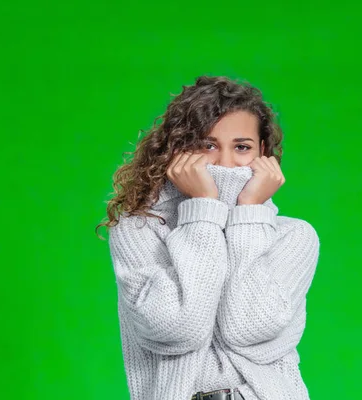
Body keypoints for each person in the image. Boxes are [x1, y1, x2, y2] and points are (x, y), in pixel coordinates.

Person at [96, 75, 320, 400]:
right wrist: (203, 210)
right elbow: (178, 330)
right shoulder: (139, 230)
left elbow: (245, 329)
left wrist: (248, 213)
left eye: (241, 147)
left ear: (264, 153)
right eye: (208, 145)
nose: (225, 163)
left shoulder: (293, 237)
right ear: (179, 150)